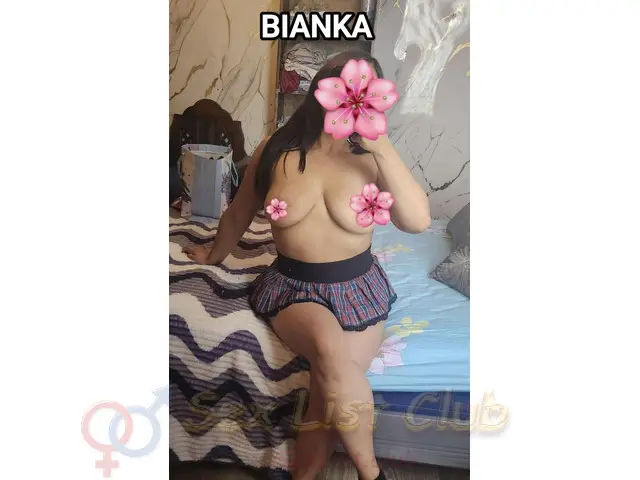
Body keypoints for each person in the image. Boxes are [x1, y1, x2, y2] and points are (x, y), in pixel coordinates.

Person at [184, 51, 430, 480]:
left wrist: (380, 144)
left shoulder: (373, 158)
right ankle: (372, 474)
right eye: (341, 83)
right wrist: (210, 255)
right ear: (321, 88)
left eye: (364, 90)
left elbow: (417, 221)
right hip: (294, 287)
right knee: (330, 351)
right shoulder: (276, 149)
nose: (350, 97)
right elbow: (239, 214)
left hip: (358, 288)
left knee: (325, 387)